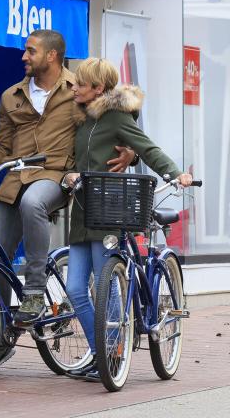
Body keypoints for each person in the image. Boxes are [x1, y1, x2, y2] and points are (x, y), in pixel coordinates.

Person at [0, 31, 135, 372]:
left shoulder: (78, 89)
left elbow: (112, 123)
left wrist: (130, 153)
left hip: (57, 176)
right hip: (14, 180)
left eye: (31, 51)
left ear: (52, 57)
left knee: (34, 203)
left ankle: (33, 291)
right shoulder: (10, 96)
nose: (23, 57)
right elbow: (0, 144)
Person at [62, 57, 192, 382]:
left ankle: (110, 352)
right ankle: (103, 349)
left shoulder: (117, 117)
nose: (74, 87)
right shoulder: (80, 120)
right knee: (76, 288)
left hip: (108, 210)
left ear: (99, 89)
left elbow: (147, 148)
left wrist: (175, 173)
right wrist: (67, 174)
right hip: (81, 212)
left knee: (106, 287)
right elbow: (67, 157)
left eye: (80, 83)